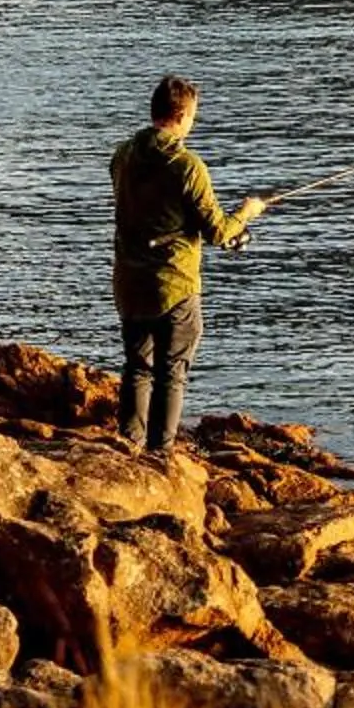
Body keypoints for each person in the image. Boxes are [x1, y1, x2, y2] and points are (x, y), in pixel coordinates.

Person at [109, 73, 265, 452]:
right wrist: (246, 213)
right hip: (174, 286)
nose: (193, 124)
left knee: (136, 368)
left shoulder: (123, 155)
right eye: (193, 117)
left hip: (130, 284)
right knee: (171, 373)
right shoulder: (187, 165)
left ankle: (129, 446)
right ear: (180, 116)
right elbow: (217, 231)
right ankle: (161, 453)